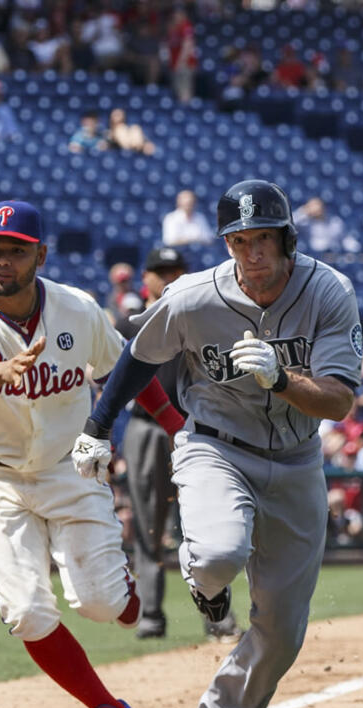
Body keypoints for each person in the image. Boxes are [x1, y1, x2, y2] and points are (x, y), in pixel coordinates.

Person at [72, 180, 363, 708]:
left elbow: (337, 402)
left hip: (298, 457)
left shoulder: (329, 290)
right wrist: (98, 425)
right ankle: (206, 588)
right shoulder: (195, 295)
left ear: (285, 239)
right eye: (239, 240)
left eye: (263, 239)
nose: (252, 253)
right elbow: (139, 352)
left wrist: (282, 379)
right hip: (216, 445)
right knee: (215, 555)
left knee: (283, 628)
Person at [0, 200, 186, 708]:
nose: (2, 261)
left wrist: (178, 430)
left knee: (100, 604)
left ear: (40, 254)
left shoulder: (77, 308)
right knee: (28, 613)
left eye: (16, 250)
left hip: (71, 470)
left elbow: (127, 373)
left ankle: (124, 595)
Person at [115, 246, 243, 642]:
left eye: (176, 269)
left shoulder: (200, 317)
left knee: (204, 521)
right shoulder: (131, 324)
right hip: (145, 429)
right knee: (149, 526)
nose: (169, 276)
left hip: (195, 427)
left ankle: (217, 616)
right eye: (161, 270)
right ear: (146, 278)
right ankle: (152, 614)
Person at [292, 197, 360, 256]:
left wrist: (355, 249)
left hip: (331, 255)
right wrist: (304, 211)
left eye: (318, 205)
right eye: (312, 206)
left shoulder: (334, 221)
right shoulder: (305, 223)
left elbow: (344, 238)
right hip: (312, 255)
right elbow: (289, 224)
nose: (316, 209)